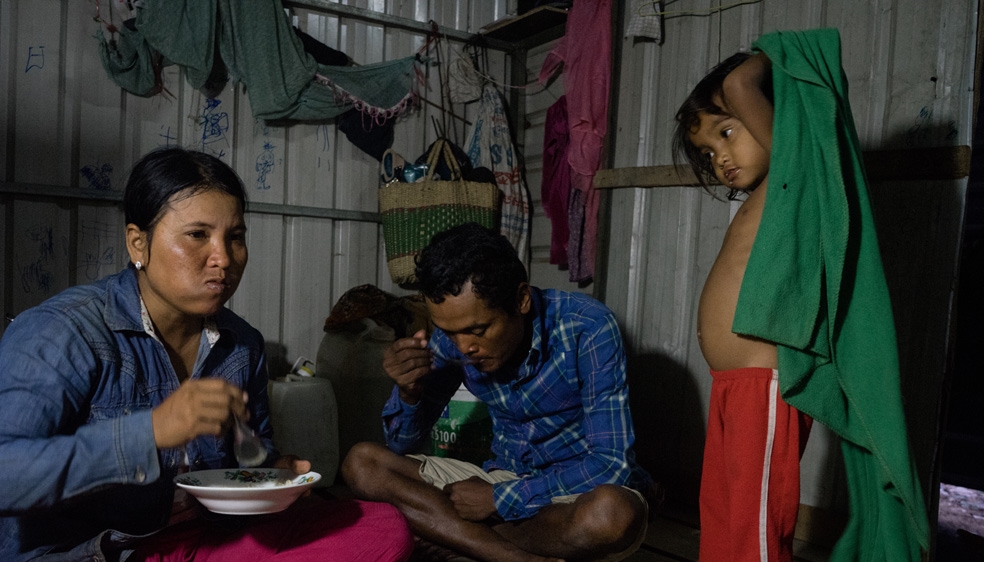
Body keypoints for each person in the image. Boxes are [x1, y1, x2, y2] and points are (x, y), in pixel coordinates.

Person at [0, 147, 413, 562]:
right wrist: (152, 431)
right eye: (198, 235)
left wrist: (276, 473)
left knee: (381, 526)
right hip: (99, 553)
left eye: (235, 237)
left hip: (199, 540)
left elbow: (249, 458)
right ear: (137, 243)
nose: (224, 259)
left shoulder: (241, 344)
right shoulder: (63, 332)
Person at [341, 222, 652, 562]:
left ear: (520, 299)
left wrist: (498, 500)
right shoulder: (454, 340)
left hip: (572, 492)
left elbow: (610, 464)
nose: (464, 347)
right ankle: (510, 554)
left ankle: (458, 536)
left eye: (478, 330)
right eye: (449, 331)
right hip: (497, 478)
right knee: (362, 463)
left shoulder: (588, 327)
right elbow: (401, 445)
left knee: (610, 517)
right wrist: (408, 392)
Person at [672, 52, 813, 562]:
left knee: (755, 531)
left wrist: (767, 61)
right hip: (733, 387)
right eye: (707, 152)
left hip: (764, 386)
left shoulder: (795, 182)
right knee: (726, 521)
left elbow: (739, 82)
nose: (719, 158)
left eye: (726, 133)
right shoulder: (761, 196)